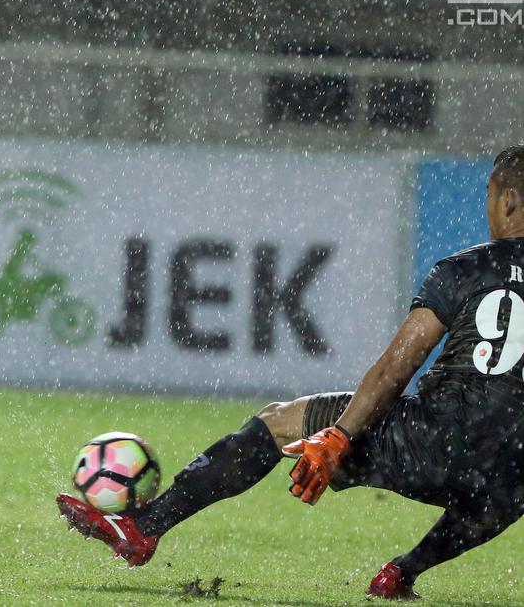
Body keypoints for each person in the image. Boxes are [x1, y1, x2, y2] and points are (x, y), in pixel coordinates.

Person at [58, 146, 524, 600]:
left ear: (507, 199)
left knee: (279, 422)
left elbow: (393, 370)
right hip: (505, 475)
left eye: (489, 193)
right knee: (508, 478)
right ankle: (402, 572)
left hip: (429, 444)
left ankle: (144, 528)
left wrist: (339, 437)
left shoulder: (466, 269)